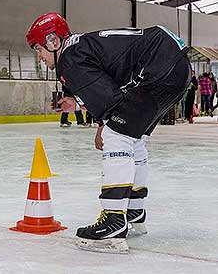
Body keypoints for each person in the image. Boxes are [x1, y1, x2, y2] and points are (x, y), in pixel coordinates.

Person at [25, 13, 190, 253]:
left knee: (116, 136)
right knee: (133, 139)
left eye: (39, 49)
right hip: (174, 66)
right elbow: (108, 83)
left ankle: (113, 220)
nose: (39, 56)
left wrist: (104, 125)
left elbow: (109, 100)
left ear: (53, 42)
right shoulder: (79, 48)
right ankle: (133, 209)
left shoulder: (69, 59)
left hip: (159, 67)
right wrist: (79, 103)